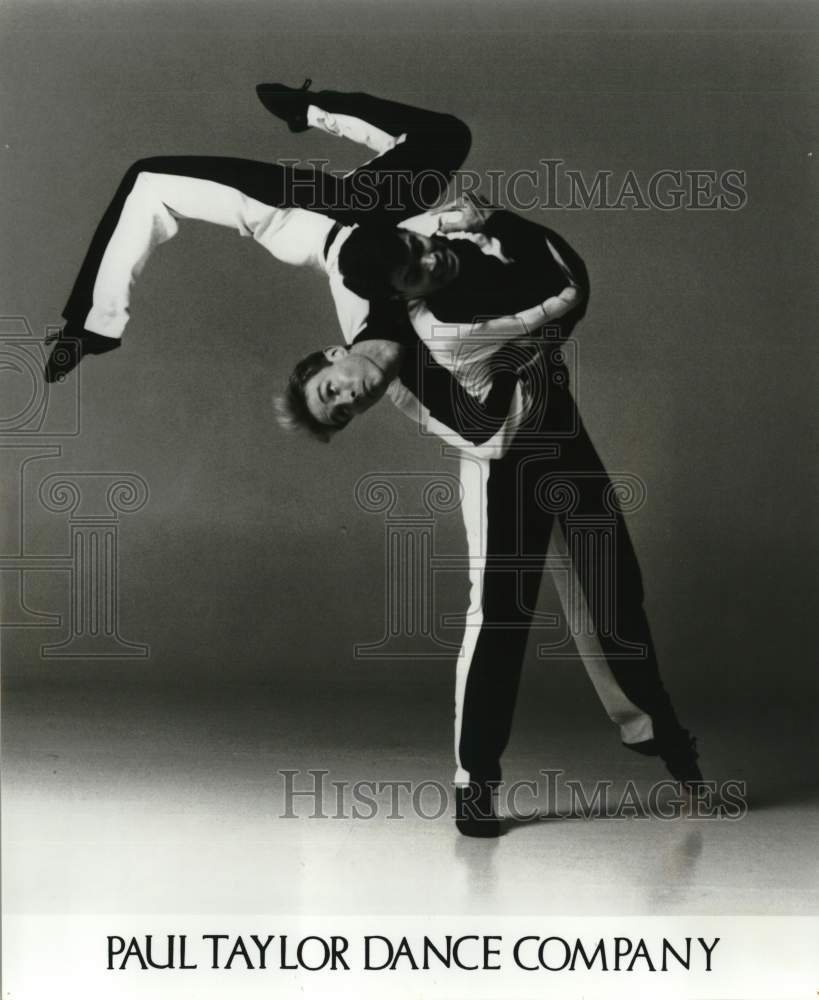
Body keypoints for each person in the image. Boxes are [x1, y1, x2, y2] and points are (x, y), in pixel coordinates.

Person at [46, 81, 702, 836]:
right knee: (503, 613)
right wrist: (525, 359)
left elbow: (159, 184)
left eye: (331, 388)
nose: (350, 394)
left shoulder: (365, 235)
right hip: (514, 446)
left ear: (330, 354)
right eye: (346, 410)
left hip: (382, 235)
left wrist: (87, 324)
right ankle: (475, 784)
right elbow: (490, 426)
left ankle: (666, 746)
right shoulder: (424, 357)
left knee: (616, 593)